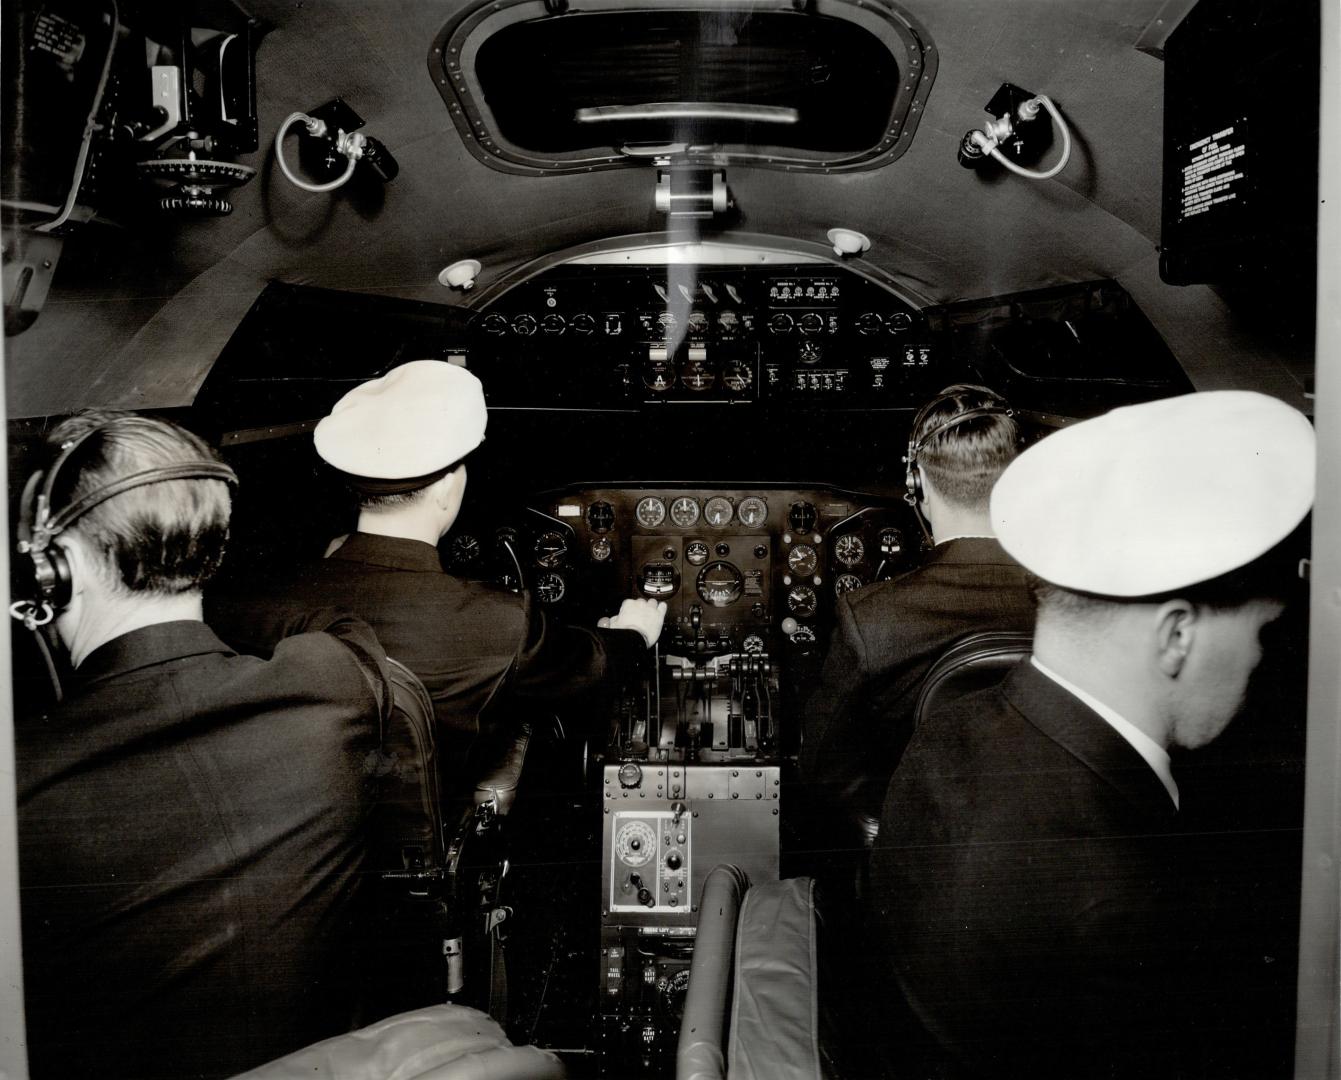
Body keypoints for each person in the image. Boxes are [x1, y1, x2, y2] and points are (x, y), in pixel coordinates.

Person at [867, 390, 1315, 1078]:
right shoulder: (1127, 909)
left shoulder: (947, 732)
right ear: (1174, 635)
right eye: (1258, 632)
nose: (1258, 660)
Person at [13, 411, 394, 1080]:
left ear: (57, 567)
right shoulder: (334, 684)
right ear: (214, 546)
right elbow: (336, 622)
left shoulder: (20, 783)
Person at [209, 360, 666, 793]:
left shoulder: (249, 599)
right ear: (449, 488)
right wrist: (636, 633)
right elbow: (592, 667)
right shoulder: (495, 621)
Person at [800, 384, 1034, 830]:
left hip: (926, 851)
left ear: (917, 482)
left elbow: (821, 775)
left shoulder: (871, 618)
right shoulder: (1077, 606)